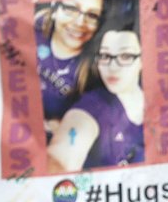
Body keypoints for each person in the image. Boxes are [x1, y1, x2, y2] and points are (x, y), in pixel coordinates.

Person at [47, 22, 145, 172]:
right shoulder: (94, 106)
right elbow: (62, 157)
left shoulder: (163, 99)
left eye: (125, 56)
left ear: (143, 60)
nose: (112, 67)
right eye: (105, 56)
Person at [35, 0, 105, 138]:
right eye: (71, 8)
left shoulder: (95, 71)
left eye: (92, 15)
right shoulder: (33, 29)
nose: (80, 22)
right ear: (55, 10)